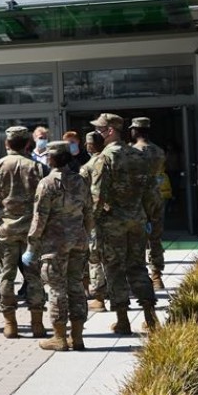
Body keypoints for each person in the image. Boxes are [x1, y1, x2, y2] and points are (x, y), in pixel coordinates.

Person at [89, 113, 159, 334]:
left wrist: (90, 223)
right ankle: (150, 317)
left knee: (115, 270)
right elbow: (151, 193)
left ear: (110, 131)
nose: (97, 134)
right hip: (137, 220)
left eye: (100, 130)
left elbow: (97, 196)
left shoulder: (105, 158)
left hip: (112, 223)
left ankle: (122, 319)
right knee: (138, 267)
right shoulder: (138, 156)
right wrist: (148, 216)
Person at [0, 126, 47, 339]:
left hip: (6, 232)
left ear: (7, 144)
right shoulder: (38, 168)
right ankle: (37, 324)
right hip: (32, 233)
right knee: (34, 277)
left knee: (6, 277)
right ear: (28, 144)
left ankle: (10, 324)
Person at [23, 141, 92, 351]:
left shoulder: (47, 183)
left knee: (56, 290)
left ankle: (60, 337)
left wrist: (31, 246)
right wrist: (87, 235)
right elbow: (89, 211)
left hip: (55, 245)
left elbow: (39, 218)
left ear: (52, 159)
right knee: (77, 287)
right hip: (78, 242)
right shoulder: (80, 181)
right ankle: (78, 337)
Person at [129, 117, 167, 290]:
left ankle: (141, 276)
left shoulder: (132, 151)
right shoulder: (159, 151)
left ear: (136, 131)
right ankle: (157, 276)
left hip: (139, 198)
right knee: (156, 238)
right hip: (156, 195)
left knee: (138, 239)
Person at [79, 131, 108, 313]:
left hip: (94, 217)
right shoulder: (110, 161)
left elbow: (83, 194)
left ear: (89, 145)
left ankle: (99, 298)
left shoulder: (87, 167)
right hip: (114, 215)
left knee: (94, 256)